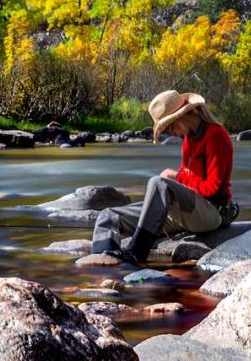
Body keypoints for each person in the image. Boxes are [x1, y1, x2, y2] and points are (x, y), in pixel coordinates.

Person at [91, 90, 236, 264]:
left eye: (170, 126)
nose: (172, 132)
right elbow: (188, 177)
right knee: (109, 215)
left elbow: (213, 189)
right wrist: (177, 179)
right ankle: (102, 262)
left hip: (211, 213)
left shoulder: (216, 135)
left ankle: (137, 251)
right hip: (186, 212)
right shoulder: (189, 139)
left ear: (182, 116)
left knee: (158, 182)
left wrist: (175, 177)